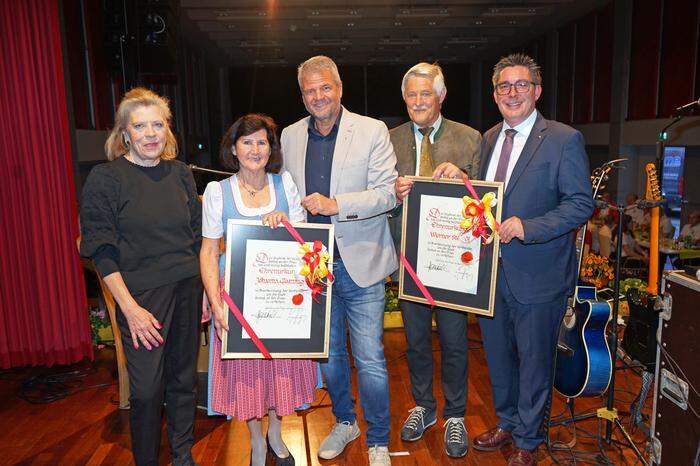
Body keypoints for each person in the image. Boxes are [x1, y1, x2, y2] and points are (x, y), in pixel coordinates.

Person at [473, 54, 593, 466]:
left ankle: (529, 439)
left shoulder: (563, 139)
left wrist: (530, 226)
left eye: (521, 85)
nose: (512, 93)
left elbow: (580, 204)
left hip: (538, 273)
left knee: (536, 360)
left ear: (537, 91)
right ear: (495, 94)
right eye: (504, 86)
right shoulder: (487, 139)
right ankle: (506, 421)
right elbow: (480, 201)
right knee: (498, 357)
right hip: (490, 273)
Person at [280, 55, 398, 466]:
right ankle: (345, 421)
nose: (318, 97)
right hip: (314, 265)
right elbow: (286, 195)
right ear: (302, 96)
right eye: (310, 91)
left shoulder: (372, 130)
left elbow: (386, 194)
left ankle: (378, 439)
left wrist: (336, 205)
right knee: (328, 354)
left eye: (324, 88)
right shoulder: (290, 136)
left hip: (361, 261)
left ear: (339, 88)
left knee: (369, 356)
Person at [80, 88, 202, 466]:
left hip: (187, 288)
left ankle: (182, 455)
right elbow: (101, 249)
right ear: (125, 134)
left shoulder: (181, 173)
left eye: (158, 124)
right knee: (147, 391)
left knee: (184, 381)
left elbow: (197, 239)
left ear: (167, 130)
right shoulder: (106, 178)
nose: (150, 133)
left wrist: (208, 296)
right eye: (140, 126)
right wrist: (129, 309)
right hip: (142, 300)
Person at [200, 114, 317, 466]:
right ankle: (254, 439)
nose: (255, 149)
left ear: (271, 149)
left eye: (262, 142)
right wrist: (217, 304)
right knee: (247, 374)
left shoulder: (285, 185)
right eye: (247, 142)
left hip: (282, 297)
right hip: (235, 298)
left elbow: (305, 243)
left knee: (279, 369)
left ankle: (277, 435)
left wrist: (287, 224)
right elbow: (207, 250)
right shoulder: (217, 192)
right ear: (234, 148)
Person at [389, 62, 481, 458]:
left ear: (441, 96)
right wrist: (392, 190)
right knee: (415, 342)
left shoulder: (470, 138)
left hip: (452, 262)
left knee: (456, 340)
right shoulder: (388, 140)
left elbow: (489, 199)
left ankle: (456, 413)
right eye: (412, 95)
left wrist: (463, 176)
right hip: (407, 260)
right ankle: (424, 407)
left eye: (426, 94)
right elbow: (374, 193)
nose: (418, 101)